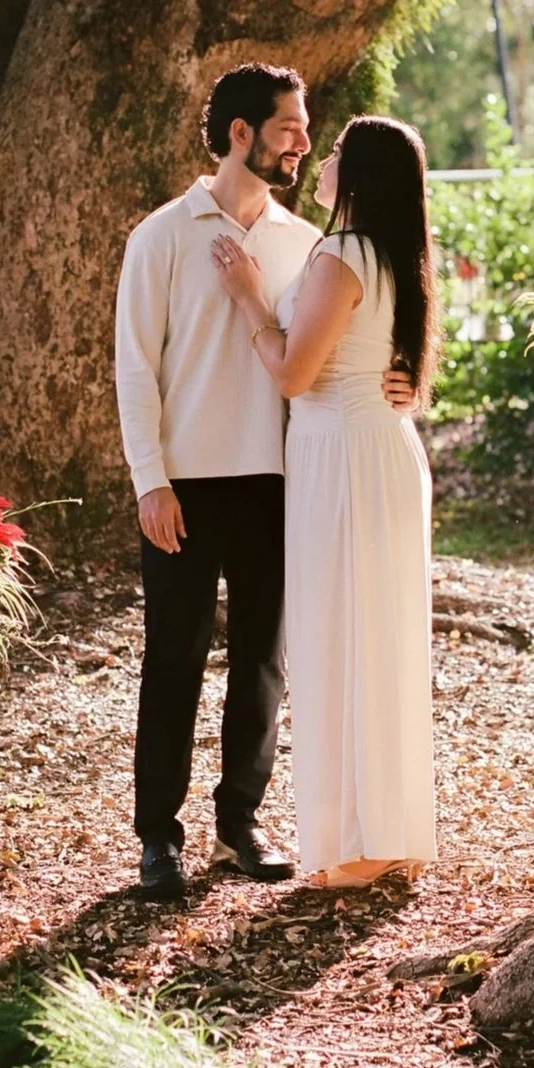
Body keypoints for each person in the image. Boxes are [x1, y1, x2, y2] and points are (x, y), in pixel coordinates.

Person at [113, 65, 412, 898]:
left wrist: (401, 381)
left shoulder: (300, 245)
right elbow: (135, 369)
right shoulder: (161, 237)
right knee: (171, 659)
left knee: (261, 663)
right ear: (240, 133)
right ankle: (157, 837)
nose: (304, 142)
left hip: (278, 482)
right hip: (182, 484)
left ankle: (239, 821)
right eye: (289, 126)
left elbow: (341, 339)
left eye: (306, 129)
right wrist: (150, 480)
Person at [212, 114, 438, 887]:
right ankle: (386, 830)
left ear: (362, 174)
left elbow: (290, 374)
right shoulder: (395, 256)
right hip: (377, 451)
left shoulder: (341, 254)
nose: (324, 159)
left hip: (341, 458)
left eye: (338, 151)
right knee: (378, 640)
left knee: (342, 639)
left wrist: (246, 295)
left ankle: (358, 845)